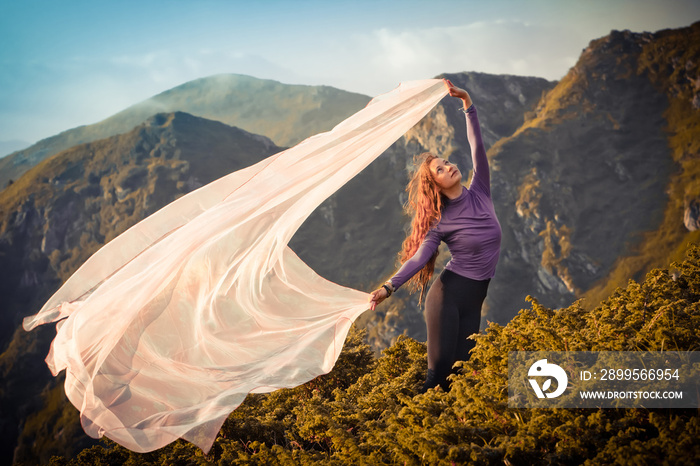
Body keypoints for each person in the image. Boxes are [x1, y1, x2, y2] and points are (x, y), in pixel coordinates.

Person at [369, 79, 502, 393]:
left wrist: (468, 102)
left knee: (459, 374)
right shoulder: (440, 222)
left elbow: (477, 146)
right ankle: (410, 430)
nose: (449, 167)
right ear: (436, 185)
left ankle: (449, 435)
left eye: (447, 162)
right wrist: (388, 287)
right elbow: (420, 258)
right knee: (438, 375)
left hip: (475, 300)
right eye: (440, 170)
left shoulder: (480, 188)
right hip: (448, 298)